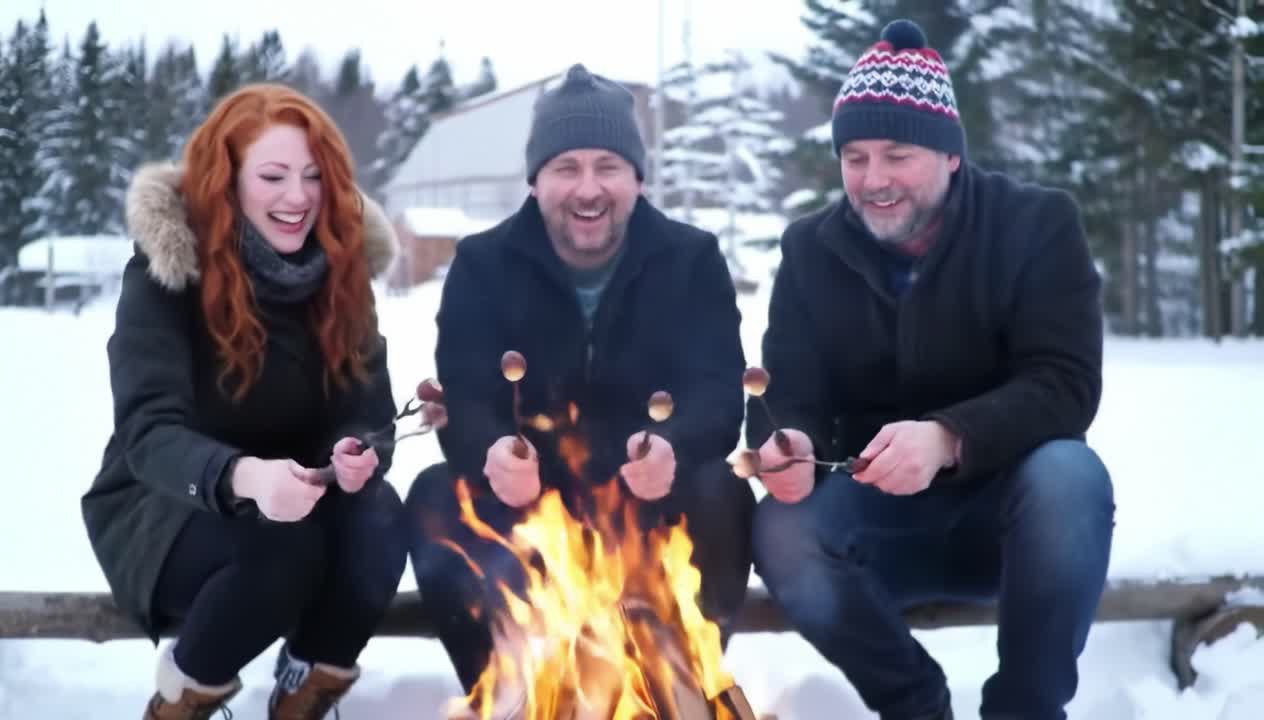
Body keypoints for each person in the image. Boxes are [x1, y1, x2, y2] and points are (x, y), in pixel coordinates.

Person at [747, 19, 1115, 720]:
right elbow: (790, 392)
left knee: (1071, 475)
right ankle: (914, 705)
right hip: (876, 525)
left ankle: (1027, 710)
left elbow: (1066, 385)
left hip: (1014, 525)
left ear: (950, 155)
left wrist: (947, 437)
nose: (873, 179)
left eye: (897, 154)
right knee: (782, 529)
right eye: (854, 156)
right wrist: (787, 443)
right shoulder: (810, 250)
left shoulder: (1036, 225)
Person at [403, 64, 755, 708]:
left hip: (648, 496)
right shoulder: (483, 264)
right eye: (566, 168)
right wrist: (491, 450)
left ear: (637, 178)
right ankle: (511, 697)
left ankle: (675, 693)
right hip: (532, 500)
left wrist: (673, 445)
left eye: (607, 167)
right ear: (536, 181)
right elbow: (469, 392)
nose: (587, 188)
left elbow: (717, 393)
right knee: (435, 496)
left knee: (722, 489)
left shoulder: (691, 259)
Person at [81, 83, 408, 720]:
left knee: (382, 521)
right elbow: (149, 432)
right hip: (169, 504)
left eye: (314, 177)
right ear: (225, 181)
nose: (297, 197)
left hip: (301, 496)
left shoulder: (343, 276)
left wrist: (355, 453)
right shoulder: (166, 274)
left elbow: (368, 412)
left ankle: (308, 685)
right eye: (274, 176)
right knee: (285, 545)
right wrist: (243, 477)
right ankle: (183, 692)